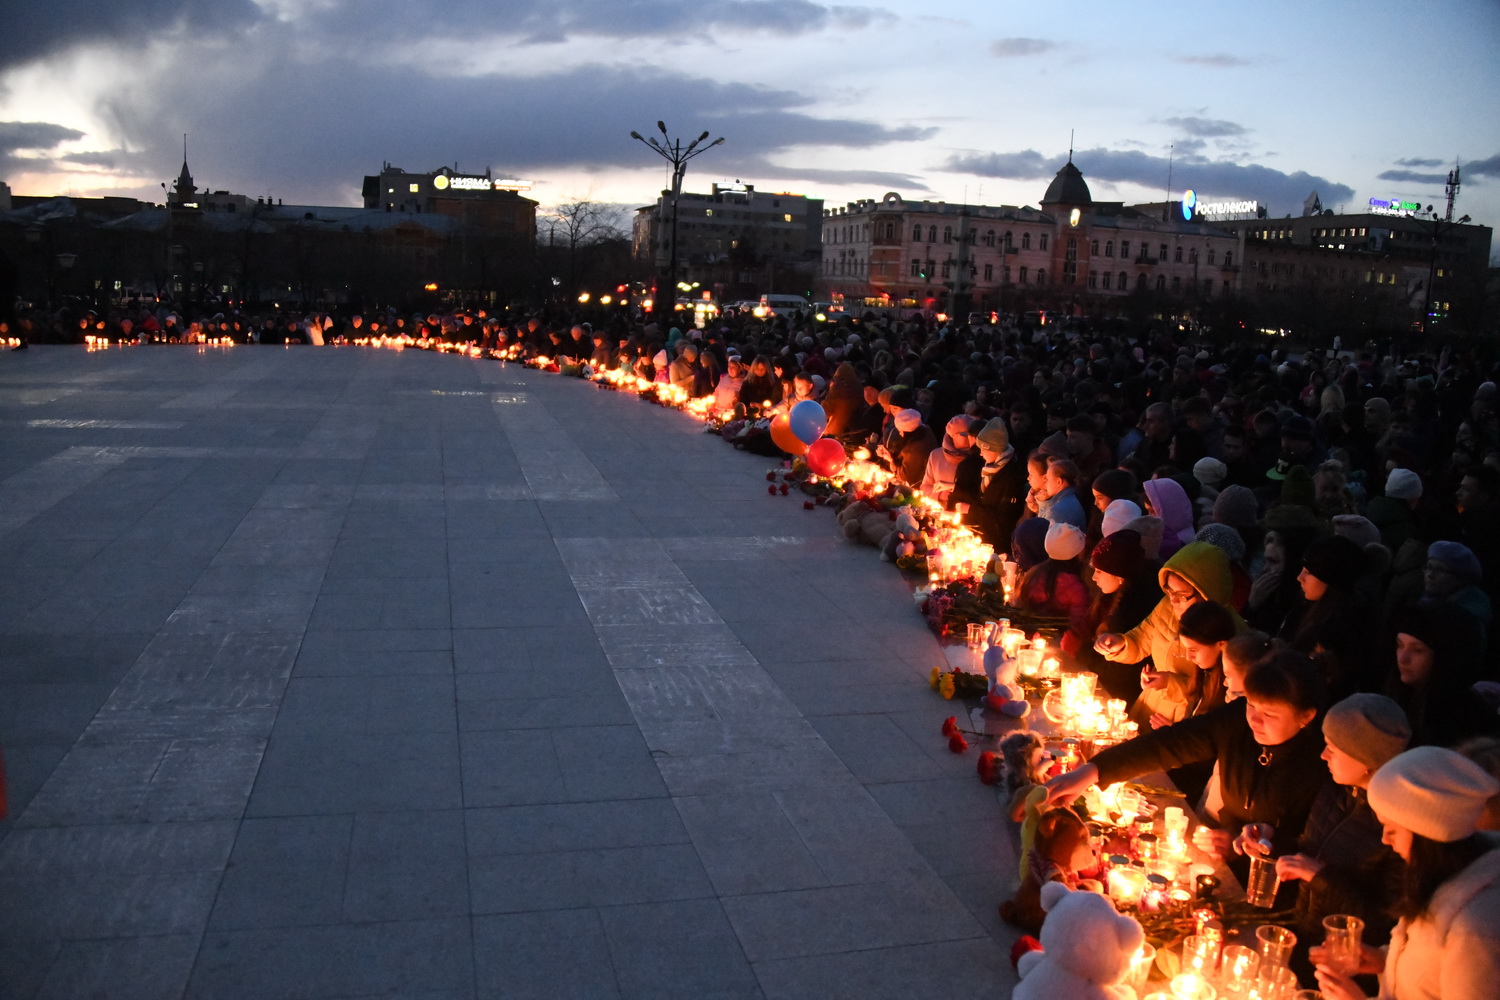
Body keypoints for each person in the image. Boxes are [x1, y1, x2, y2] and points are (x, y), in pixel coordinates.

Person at [1044, 650, 1333, 864]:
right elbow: (1171, 744)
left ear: (1306, 717)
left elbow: (1317, 853)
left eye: (1269, 714)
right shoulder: (1237, 721)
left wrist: (1256, 844)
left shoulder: (1322, 765)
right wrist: (1093, 771)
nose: (1254, 720)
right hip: (1219, 862)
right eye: (1251, 705)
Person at [1313, 746, 1500, 1000]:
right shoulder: (1441, 876)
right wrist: (1384, 958)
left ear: (1429, 834)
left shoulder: (1476, 930)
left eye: (1393, 828)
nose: (1385, 839)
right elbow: (1432, 965)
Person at [1272, 694, 1411, 982]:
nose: (1323, 755)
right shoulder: (1338, 790)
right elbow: (1308, 852)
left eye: (1333, 748)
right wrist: (1267, 841)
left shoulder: (1400, 830)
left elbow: (1384, 922)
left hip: (1344, 969)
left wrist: (1322, 877)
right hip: (1300, 939)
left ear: (1367, 761)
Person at [1094, 540, 1242, 727]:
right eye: (1169, 591)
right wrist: (1120, 644)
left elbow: (1215, 691)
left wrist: (1170, 683)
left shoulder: (1228, 632)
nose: (1172, 600)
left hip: (1185, 720)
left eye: (1181, 595)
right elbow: (1141, 638)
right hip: (1151, 707)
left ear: (1207, 593)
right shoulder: (1167, 607)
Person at [1386, 603, 1495, 749]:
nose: (1402, 658)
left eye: (1418, 650)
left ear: (1445, 657)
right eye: (1400, 645)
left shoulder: (1463, 721)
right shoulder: (1398, 696)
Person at [1082, 529, 1161, 702]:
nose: (1094, 577)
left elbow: (1118, 674)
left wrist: (1079, 651)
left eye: (1099, 571)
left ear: (1120, 575)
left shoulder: (1132, 610)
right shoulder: (1112, 598)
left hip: (1120, 697)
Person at [949, 416, 1027, 554]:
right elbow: (984, 501)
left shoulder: (1010, 477)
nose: (980, 453)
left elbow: (1004, 518)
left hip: (999, 546)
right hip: (985, 538)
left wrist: (970, 509)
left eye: (983, 449)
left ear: (994, 449)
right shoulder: (990, 470)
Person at [920, 415, 977, 505]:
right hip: (940, 512)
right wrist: (940, 495)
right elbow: (925, 487)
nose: (970, 438)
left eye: (973, 434)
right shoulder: (936, 456)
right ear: (952, 435)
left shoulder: (978, 459)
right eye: (965, 434)